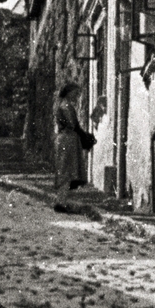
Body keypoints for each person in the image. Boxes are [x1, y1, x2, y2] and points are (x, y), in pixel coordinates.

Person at [54, 79, 95, 212]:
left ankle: (61, 200)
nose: (76, 96)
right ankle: (60, 201)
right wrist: (84, 136)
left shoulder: (63, 104)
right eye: (75, 93)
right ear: (69, 92)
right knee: (66, 170)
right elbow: (73, 125)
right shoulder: (66, 106)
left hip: (67, 139)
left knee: (66, 170)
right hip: (68, 139)